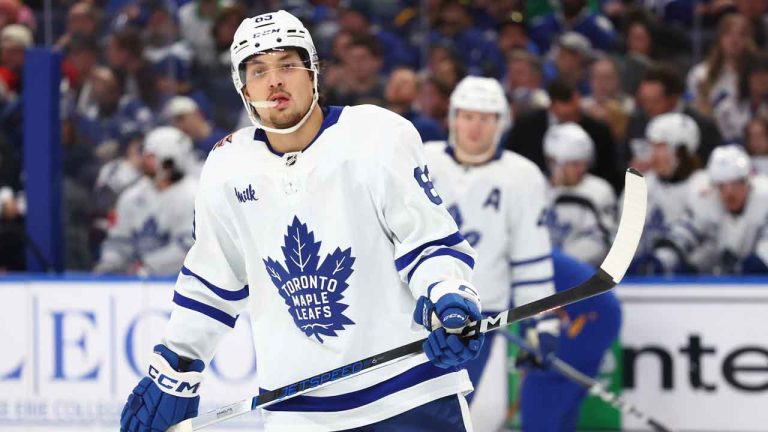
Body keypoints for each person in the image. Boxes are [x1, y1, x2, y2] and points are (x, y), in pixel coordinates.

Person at [120, 10, 484, 432]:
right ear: (243, 87)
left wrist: (450, 298)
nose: (274, 80)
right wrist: (178, 365)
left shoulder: (377, 135)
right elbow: (211, 281)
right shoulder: (228, 165)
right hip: (298, 412)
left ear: (313, 72)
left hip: (409, 395)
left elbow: (428, 242)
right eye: (258, 70)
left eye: (287, 65)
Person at [423, 76, 557, 432]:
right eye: (467, 116)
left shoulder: (523, 176)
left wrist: (541, 322)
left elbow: (531, 257)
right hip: (415, 313)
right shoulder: (421, 160)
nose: (475, 127)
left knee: (450, 413)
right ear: (453, 118)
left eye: (485, 118)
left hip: (478, 320)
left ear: (501, 123)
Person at [519, 249, 622, 432]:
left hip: (589, 316)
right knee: (557, 397)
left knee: (543, 386)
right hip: (599, 314)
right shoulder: (525, 246)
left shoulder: (517, 257)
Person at [648, 145, 768, 274]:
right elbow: (684, 233)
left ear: (747, 181)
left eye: (736, 183)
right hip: (717, 280)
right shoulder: (707, 199)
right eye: (722, 185)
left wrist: (759, 262)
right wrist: (661, 259)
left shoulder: (764, 198)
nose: (729, 192)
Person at [95, 126, 197, 276]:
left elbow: (188, 249)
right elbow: (119, 240)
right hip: (136, 283)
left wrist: (147, 266)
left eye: (151, 156)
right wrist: (110, 265)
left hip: (181, 283)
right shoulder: (132, 195)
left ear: (170, 160)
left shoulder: (195, 195)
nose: (144, 160)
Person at [631, 112, 709, 271]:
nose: (653, 155)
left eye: (660, 147)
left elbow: (706, 240)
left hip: (690, 282)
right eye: (652, 146)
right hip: (645, 278)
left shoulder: (703, 186)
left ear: (681, 150)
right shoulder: (642, 184)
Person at [543, 122, 617, 267]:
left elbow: (603, 242)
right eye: (574, 164)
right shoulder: (537, 189)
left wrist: (562, 261)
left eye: (584, 162)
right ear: (554, 162)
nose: (581, 168)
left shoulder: (600, 192)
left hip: (581, 273)